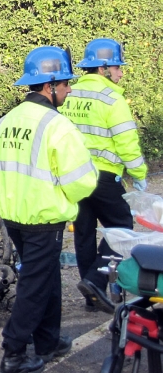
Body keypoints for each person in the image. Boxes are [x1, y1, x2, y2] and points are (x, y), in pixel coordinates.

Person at [0, 46, 98, 373]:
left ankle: (48, 341)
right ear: (50, 86)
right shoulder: (57, 125)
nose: (69, 90)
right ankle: (13, 353)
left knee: (46, 277)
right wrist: (67, 197)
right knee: (36, 286)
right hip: (43, 217)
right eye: (66, 84)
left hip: (14, 217)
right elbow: (82, 182)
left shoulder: (6, 122)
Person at [59, 38, 148, 314]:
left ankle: (91, 296)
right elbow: (126, 143)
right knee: (121, 229)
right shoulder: (112, 97)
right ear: (104, 68)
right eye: (118, 67)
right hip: (105, 177)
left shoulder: (69, 93)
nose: (121, 73)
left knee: (84, 234)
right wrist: (139, 174)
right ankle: (97, 279)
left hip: (74, 176)